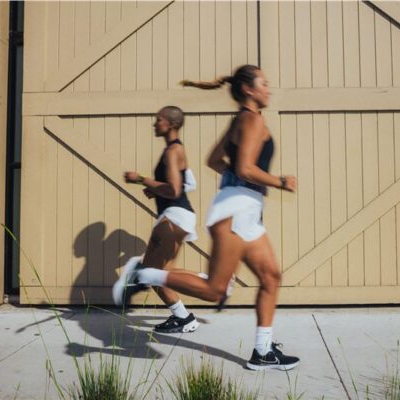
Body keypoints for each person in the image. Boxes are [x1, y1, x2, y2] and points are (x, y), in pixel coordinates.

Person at [125, 65, 300, 371]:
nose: (268, 88)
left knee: (271, 277)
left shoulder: (241, 120)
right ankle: (145, 274)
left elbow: (215, 160)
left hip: (244, 209)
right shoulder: (252, 119)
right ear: (248, 89)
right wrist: (279, 181)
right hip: (236, 210)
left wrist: (241, 180)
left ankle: (263, 352)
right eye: (264, 83)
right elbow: (245, 168)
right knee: (215, 290)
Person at [112, 106, 200, 334]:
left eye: (159, 119)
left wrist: (141, 179)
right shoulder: (175, 150)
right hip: (176, 215)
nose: (155, 123)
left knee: (150, 271)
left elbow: (174, 190)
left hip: (174, 216)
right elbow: (188, 184)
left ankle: (211, 282)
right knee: (160, 273)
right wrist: (155, 190)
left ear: (171, 124)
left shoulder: (173, 151)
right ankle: (184, 317)